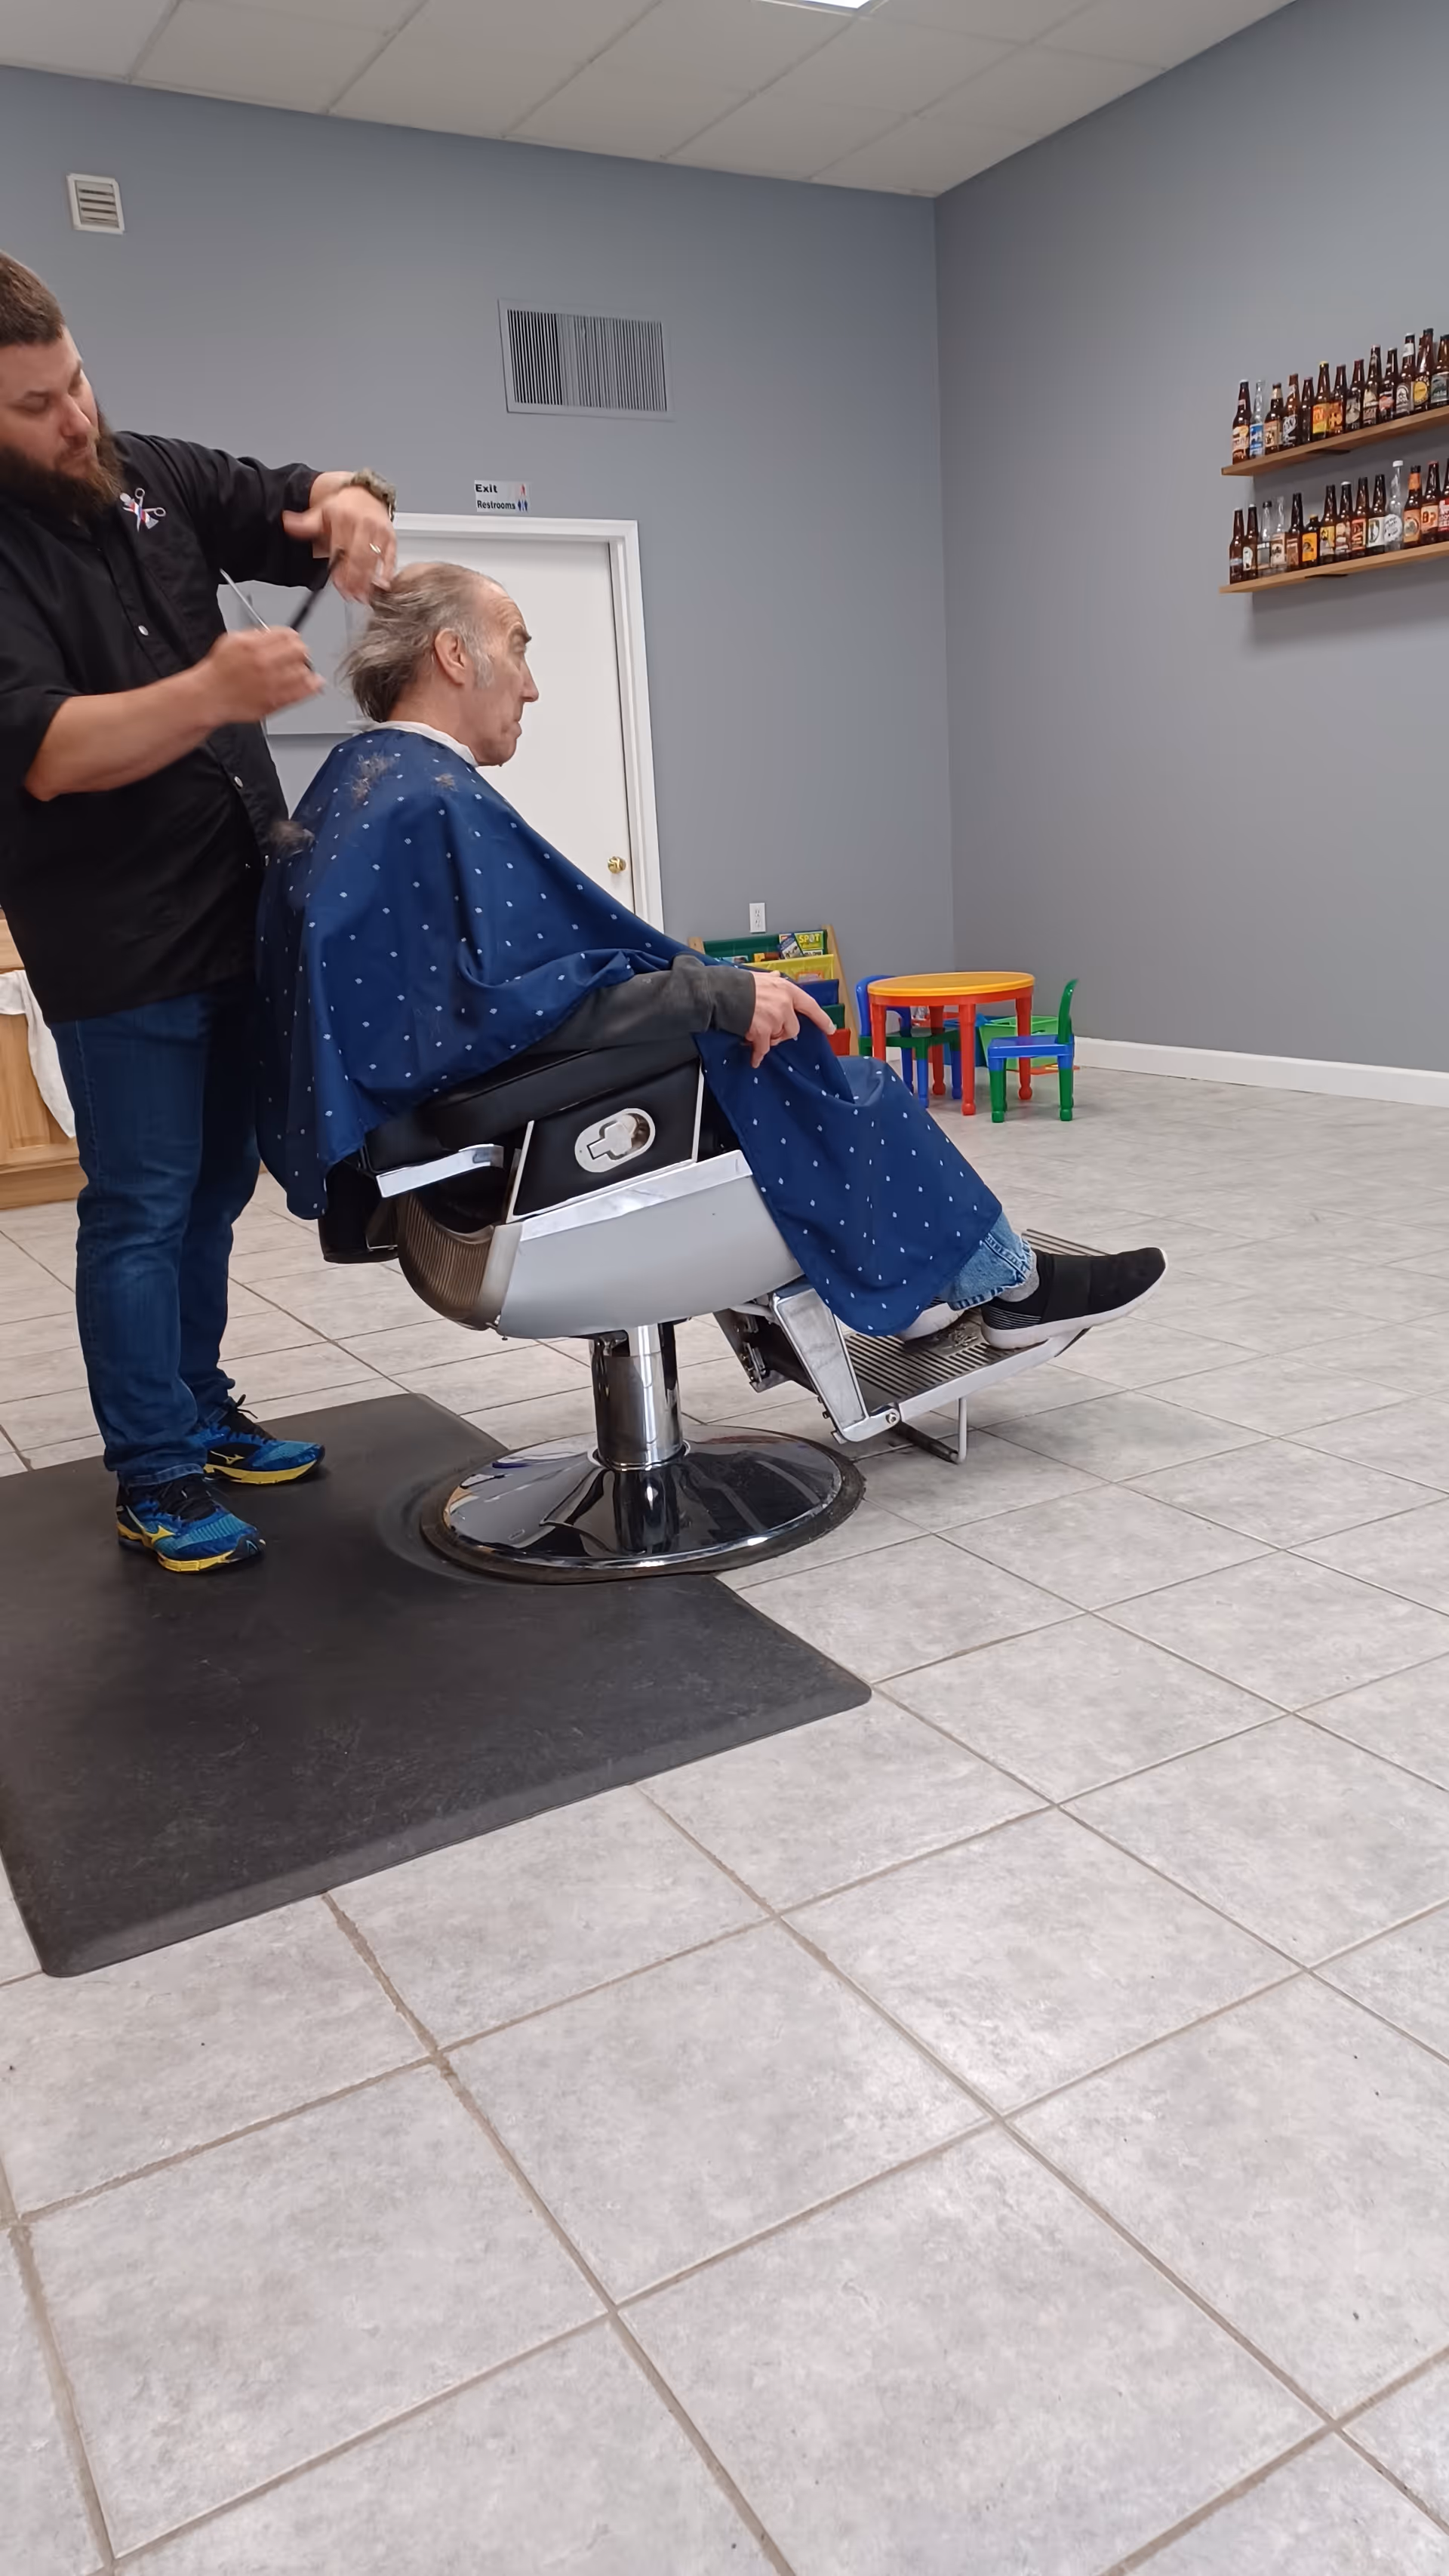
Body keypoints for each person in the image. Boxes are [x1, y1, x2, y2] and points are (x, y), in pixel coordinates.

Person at [259, 562, 1164, 1355]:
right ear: (456, 655)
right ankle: (1010, 1284)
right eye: (518, 648)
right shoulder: (428, 800)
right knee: (843, 1080)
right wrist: (716, 997)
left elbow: (474, 996)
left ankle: (929, 1284)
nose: (530, 687)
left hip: (458, 1132)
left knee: (796, 1059)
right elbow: (500, 1008)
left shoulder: (362, 783)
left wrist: (707, 989)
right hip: (527, 1130)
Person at [0, 252, 398, 1574]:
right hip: (118, 944)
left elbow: (298, 500)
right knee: (141, 1204)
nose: (75, 419)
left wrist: (348, 508)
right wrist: (213, 692)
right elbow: (47, 750)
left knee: (218, 1188)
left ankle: (199, 1407)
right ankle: (155, 1472)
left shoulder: (145, 471)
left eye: (77, 380)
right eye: (35, 406)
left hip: (239, 912)